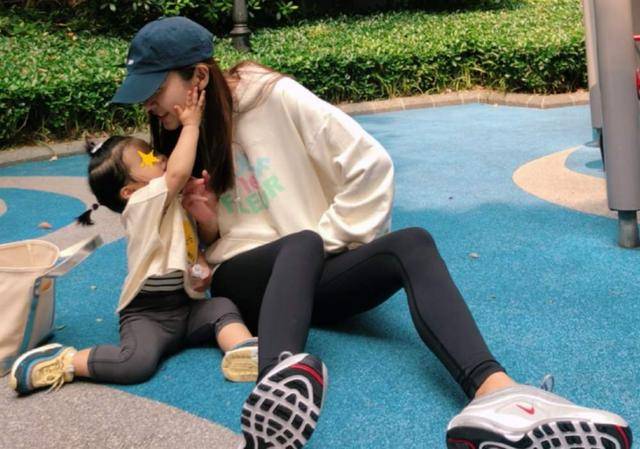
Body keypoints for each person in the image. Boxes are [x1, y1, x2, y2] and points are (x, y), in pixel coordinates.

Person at [110, 17, 632, 449]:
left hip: (310, 270)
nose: (148, 104)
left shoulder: (272, 97)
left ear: (199, 76)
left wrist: (326, 245)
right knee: (303, 242)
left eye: (155, 89)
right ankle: (274, 393)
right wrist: (205, 223)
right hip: (244, 279)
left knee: (412, 242)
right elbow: (189, 246)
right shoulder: (180, 139)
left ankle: (497, 392)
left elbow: (370, 164)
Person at [9, 87, 260, 398]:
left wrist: (200, 266)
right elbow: (177, 173)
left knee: (221, 307)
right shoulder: (141, 205)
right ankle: (67, 361)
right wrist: (191, 124)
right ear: (129, 191)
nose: (160, 156)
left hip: (186, 307)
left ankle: (243, 350)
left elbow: (191, 246)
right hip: (147, 315)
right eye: (149, 158)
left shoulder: (173, 203)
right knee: (136, 363)